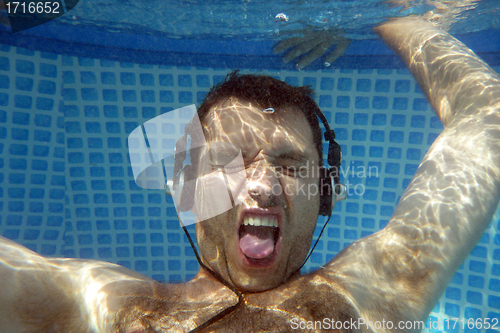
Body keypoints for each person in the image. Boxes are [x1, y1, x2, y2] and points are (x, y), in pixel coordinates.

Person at [1, 16, 500, 332]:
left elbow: (489, 112)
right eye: (226, 162)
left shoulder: (381, 288)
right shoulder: (100, 307)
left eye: (289, 165)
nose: (261, 186)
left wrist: (391, 15)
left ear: (325, 194)